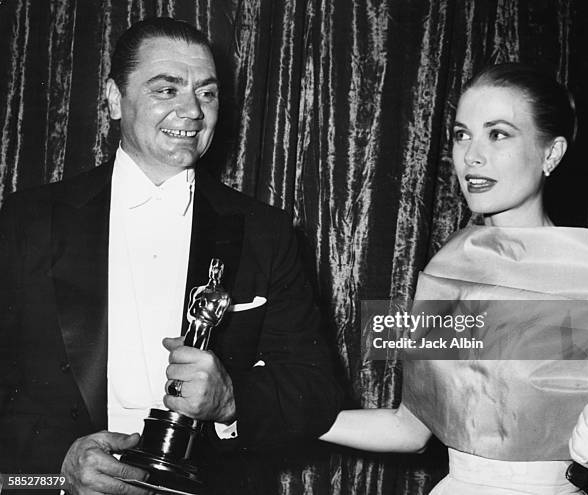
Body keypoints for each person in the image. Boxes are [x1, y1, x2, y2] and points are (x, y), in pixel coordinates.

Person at [0, 17, 342, 495]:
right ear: (115, 99)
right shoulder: (26, 220)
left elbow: (316, 389)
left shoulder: (265, 231)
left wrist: (230, 400)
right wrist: (50, 472)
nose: (192, 112)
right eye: (167, 89)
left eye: (206, 93)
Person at [320, 62, 588, 494]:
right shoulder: (447, 265)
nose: (472, 155)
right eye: (461, 135)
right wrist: (263, 413)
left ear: (551, 153)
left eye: (498, 134)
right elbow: (410, 428)